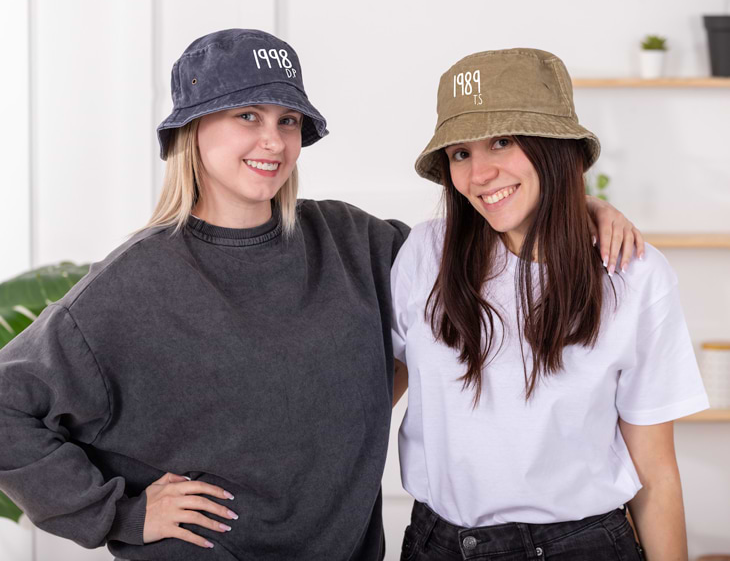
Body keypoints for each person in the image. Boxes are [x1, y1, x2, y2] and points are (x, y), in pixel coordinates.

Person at [0, 32, 640, 561]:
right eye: (247, 116)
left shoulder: (353, 241)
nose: (274, 141)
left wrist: (576, 207)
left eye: (288, 121)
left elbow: (487, 237)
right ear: (191, 131)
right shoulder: (134, 282)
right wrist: (123, 514)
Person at [390, 48, 710, 561]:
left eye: (502, 141)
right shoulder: (425, 253)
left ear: (555, 148)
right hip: (437, 543)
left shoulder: (632, 273)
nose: (479, 173)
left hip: (580, 546)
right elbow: (365, 400)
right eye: (460, 153)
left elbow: (655, 472)